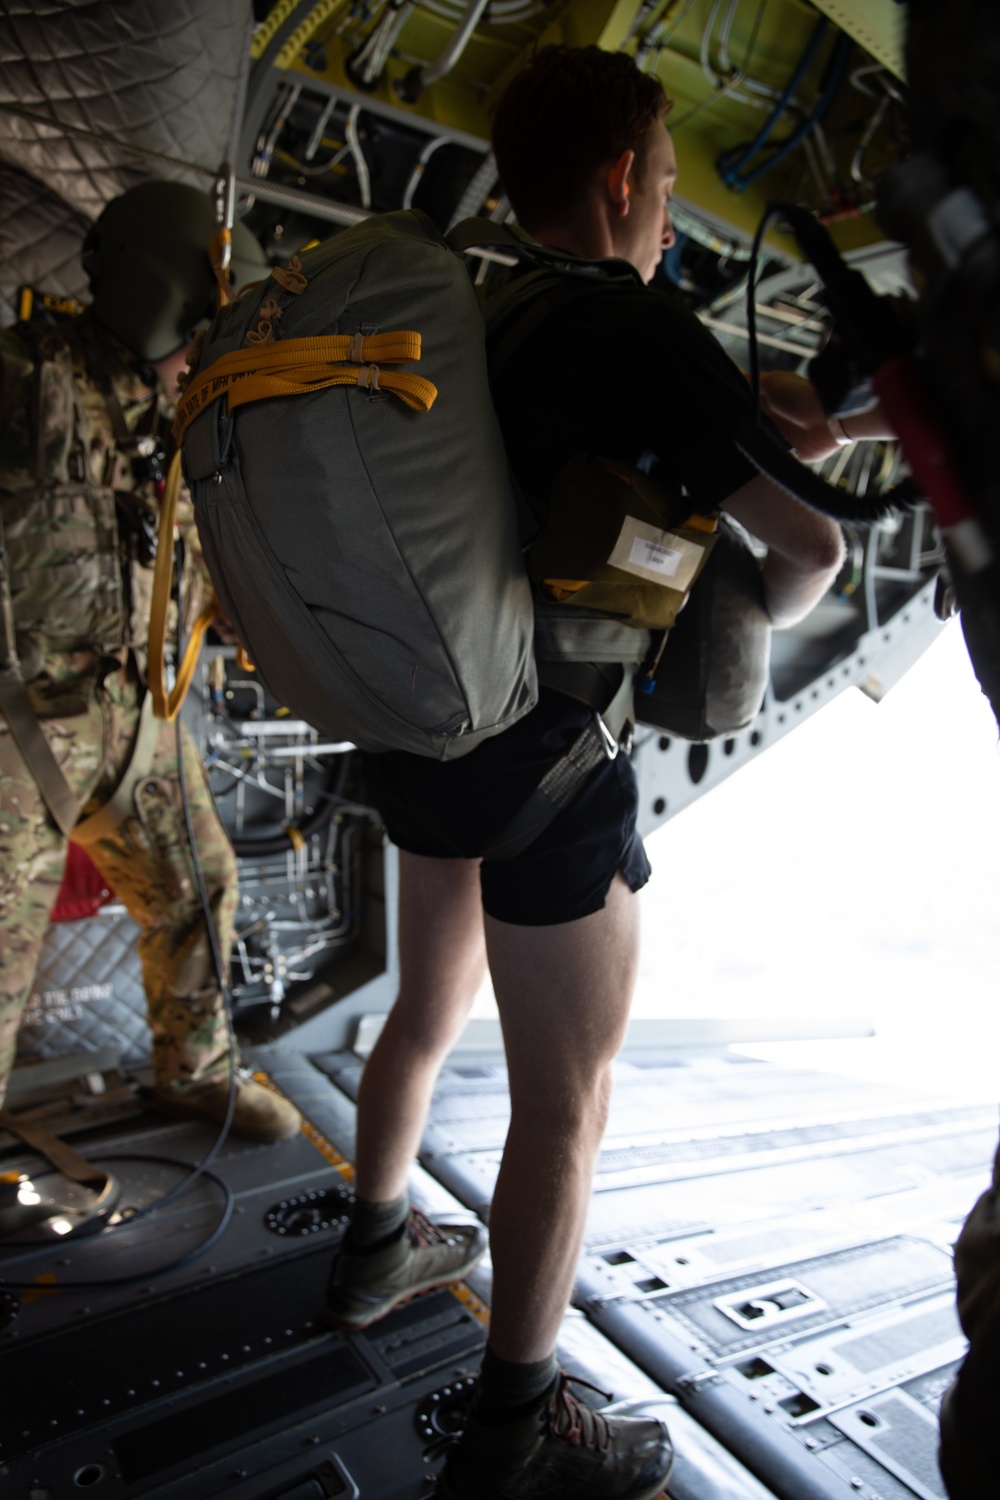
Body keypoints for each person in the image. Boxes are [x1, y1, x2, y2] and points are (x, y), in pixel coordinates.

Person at [322, 46, 851, 1500]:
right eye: (670, 184)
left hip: (424, 728)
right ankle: (519, 1431)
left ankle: (374, 1248)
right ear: (621, 178)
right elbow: (805, 556)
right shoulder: (636, 323)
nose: (671, 213)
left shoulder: (471, 311)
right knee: (570, 1099)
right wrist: (781, 590)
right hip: (549, 762)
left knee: (427, 1014)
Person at [0, 179, 300, 1144]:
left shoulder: (191, 435)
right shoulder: (27, 377)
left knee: (199, 891)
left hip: (142, 728)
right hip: (22, 727)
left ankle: (198, 1077)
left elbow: (212, 570)